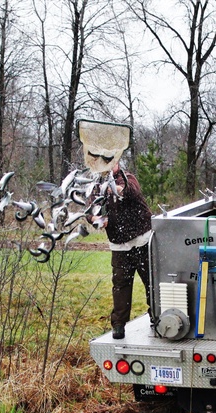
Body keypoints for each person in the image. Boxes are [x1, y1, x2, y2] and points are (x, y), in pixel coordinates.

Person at [79, 120, 152, 340]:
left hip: (141, 240)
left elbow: (131, 191)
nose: (107, 166)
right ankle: (118, 326)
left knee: (150, 282)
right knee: (120, 286)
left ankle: (156, 318)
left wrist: (118, 188)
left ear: (117, 163)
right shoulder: (97, 185)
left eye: (111, 162)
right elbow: (89, 211)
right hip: (119, 244)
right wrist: (96, 219)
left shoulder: (128, 178)